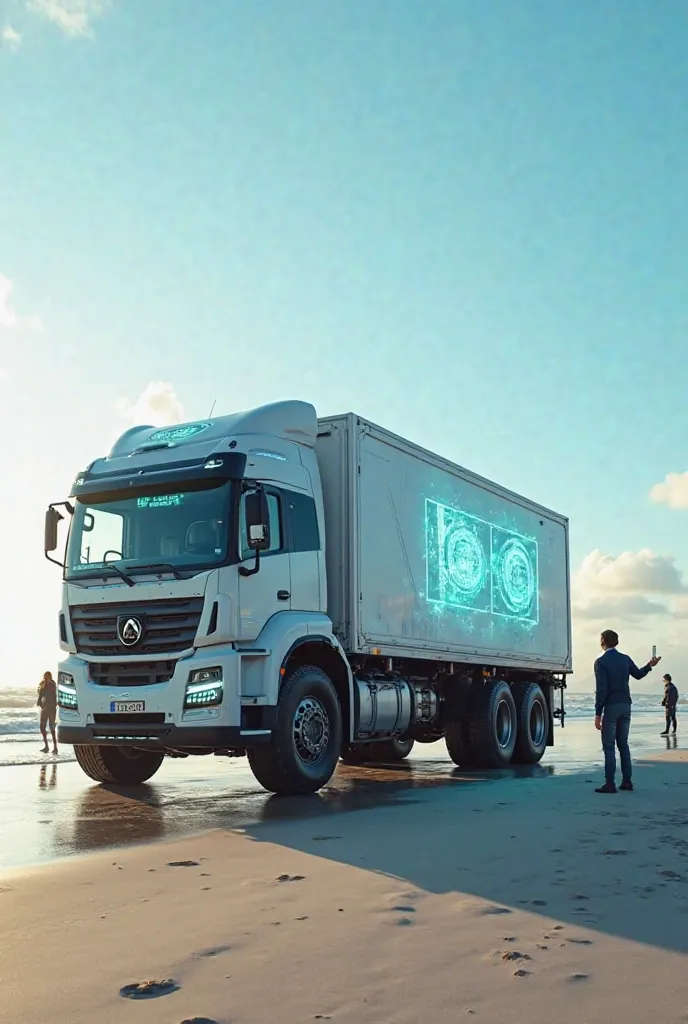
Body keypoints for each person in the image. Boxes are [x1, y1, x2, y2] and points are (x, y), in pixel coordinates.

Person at [593, 629, 660, 794]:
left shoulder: (600, 662)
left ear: (602, 641)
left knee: (608, 746)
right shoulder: (625, 659)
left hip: (611, 706)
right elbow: (638, 675)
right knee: (623, 744)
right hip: (626, 705)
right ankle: (627, 781)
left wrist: (597, 713)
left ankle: (610, 783)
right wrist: (649, 665)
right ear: (616, 642)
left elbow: (601, 689)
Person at [37, 671, 58, 756]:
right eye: (45, 676)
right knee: (42, 727)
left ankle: (55, 748)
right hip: (45, 708)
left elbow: (53, 695)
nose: (45, 678)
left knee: (52, 729)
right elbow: (40, 695)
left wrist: (55, 704)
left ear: (50, 677)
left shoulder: (52, 684)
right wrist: (40, 703)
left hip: (52, 709)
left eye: (47, 676)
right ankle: (46, 746)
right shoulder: (43, 684)